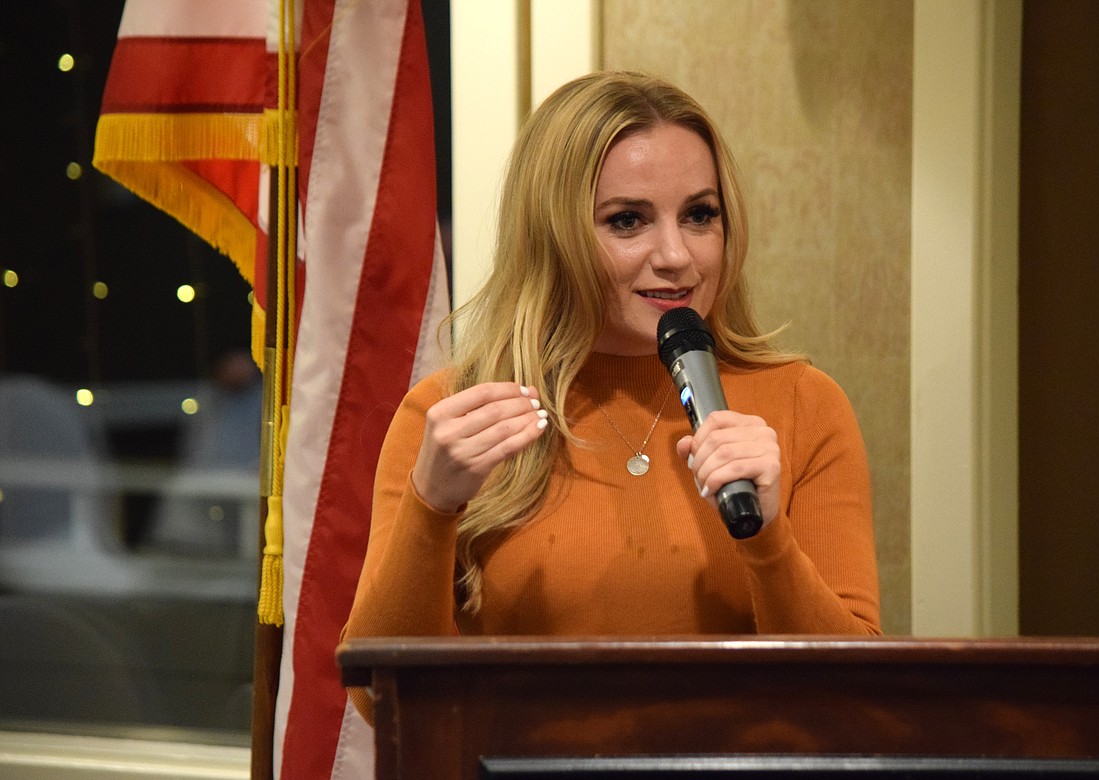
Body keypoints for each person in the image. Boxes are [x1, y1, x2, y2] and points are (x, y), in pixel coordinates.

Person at [343, 71, 880, 722]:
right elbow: (382, 703)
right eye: (628, 221)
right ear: (554, 234)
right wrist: (432, 509)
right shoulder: (456, 414)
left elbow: (856, 701)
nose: (677, 254)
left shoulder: (804, 403)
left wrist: (767, 540)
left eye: (699, 215)